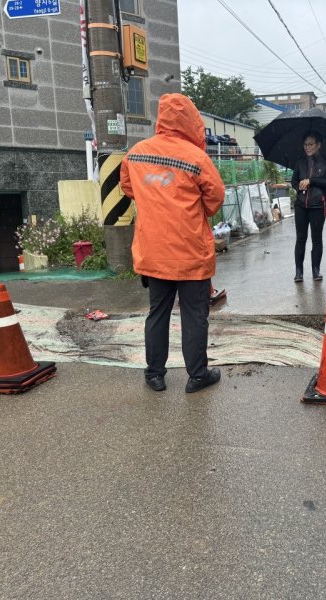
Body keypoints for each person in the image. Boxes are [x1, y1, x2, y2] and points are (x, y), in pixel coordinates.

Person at [120, 93, 225, 394]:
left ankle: (155, 374)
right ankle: (197, 375)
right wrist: (196, 211)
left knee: (158, 313)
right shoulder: (196, 157)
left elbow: (127, 186)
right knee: (194, 315)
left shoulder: (137, 153)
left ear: (161, 117)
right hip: (190, 252)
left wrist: (153, 199)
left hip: (153, 252)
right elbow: (215, 197)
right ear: (191, 121)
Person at [289, 131, 326, 282]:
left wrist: (311, 181)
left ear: (318, 145)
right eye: (305, 144)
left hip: (317, 206)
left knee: (317, 239)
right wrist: (300, 187)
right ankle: (299, 271)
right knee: (300, 238)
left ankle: (316, 270)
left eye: (310, 144)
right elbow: (294, 181)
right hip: (301, 205)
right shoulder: (300, 162)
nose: (307, 147)